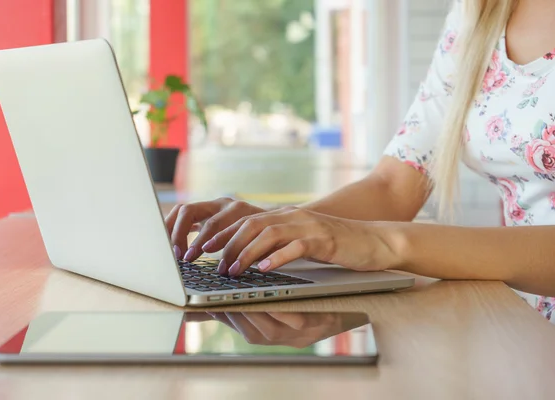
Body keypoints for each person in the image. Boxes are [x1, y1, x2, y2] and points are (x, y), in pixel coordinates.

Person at [166, 0, 555, 323]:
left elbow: (385, 227)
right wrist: (282, 227)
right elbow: (393, 185)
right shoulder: (479, 14)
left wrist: (385, 242)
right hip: (524, 326)